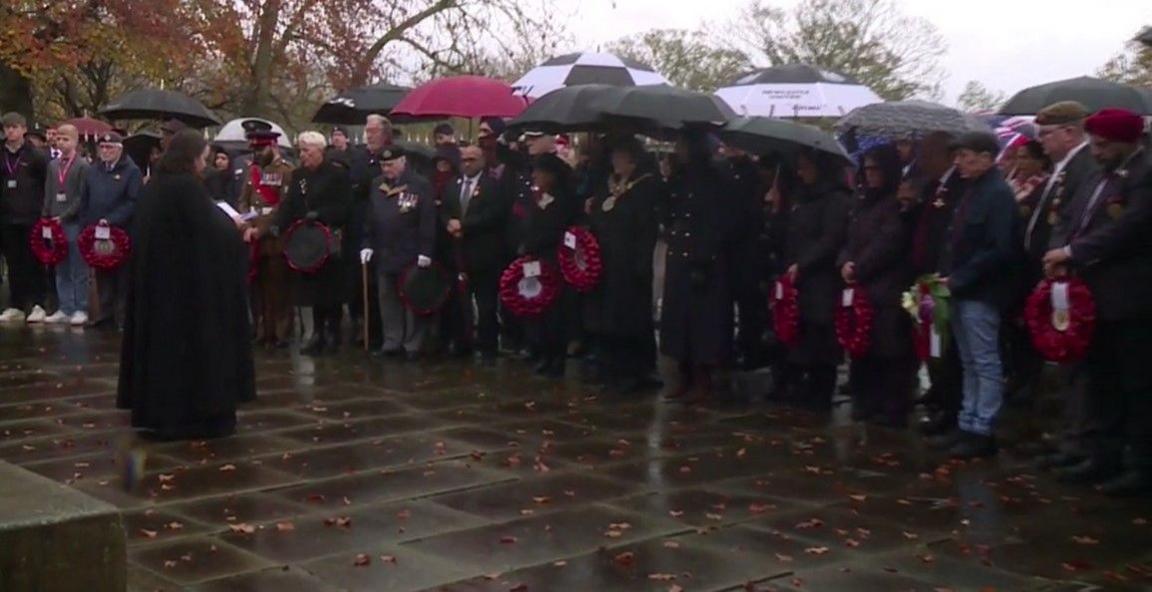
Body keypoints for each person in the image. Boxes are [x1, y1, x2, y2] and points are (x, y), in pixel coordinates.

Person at [1041, 108, 1152, 495]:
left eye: (1104, 145)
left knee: (1135, 386)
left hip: (1131, 299)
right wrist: (1061, 252)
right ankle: (1101, 455)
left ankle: (1140, 465)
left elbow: (1130, 228)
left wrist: (1074, 252)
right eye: (1094, 144)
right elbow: (1072, 219)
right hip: (1094, 297)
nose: (1097, 151)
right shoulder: (1097, 175)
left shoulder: (1144, 175)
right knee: (1101, 381)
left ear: (1128, 141)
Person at [117, 128, 254, 440]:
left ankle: (159, 415)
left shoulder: (156, 186)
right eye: (202, 158)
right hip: (186, 294)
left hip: (161, 290)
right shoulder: (185, 188)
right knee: (189, 356)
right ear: (190, 158)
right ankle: (194, 416)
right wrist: (231, 226)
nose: (204, 165)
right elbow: (211, 232)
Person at [936, 132, 1018, 459]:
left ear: (986, 157)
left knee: (984, 361)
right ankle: (967, 421)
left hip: (981, 291)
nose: (958, 162)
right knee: (968, 361)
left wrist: (960, 278)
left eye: (964, 155)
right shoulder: (972, 191)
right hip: (959, 288)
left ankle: (984, 427)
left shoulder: (997, 194)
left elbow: (999, 248)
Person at [838, 144, 916, 427]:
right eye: (867, 169)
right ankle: (866, 400)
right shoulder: (863, 201)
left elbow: (889, 242)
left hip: (887, 287)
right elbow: (850, 238)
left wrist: (858, 267)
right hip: (862, 285)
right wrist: (845, 262)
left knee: (890, 350)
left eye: (876, 169)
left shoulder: (898, 203)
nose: (870, 174)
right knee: (863, 348)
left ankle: (891, 406)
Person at [662, 133, 738, 403]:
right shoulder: (680, 177)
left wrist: (704, 256)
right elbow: (670, 209)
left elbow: (718, 220)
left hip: (704, 259)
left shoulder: (716, 178)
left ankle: (702, 375)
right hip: (680, 254)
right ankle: (682, 374)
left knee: (701, 322)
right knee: (678, 319)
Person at [778, 149, 851, 410]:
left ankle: (821, 391)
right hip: (801, 278)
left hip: (822, 278)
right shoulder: (804, 197)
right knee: (804, 334)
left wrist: (804, 263)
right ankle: (804, 386)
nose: (801, 173)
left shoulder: (836, 199)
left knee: (822, 336)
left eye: (806, 167)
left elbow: (831, 239)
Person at [589, 137, 661, 393]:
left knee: (631, 317)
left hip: (631, 262)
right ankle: (611, 366)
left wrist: (641, 262)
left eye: (620, 157)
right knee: (609, 316)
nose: (615, 162)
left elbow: (646, 226)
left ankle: (636, 368)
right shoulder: (609, 185)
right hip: (608, 260)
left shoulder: (644, 186)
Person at [905, 131, 966, 436]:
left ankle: (949, 405)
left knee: (945, 345)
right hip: (924, 274)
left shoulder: (959, 187)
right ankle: (938, 392)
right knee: (930, 339)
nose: (923, 161)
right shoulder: (932, 186)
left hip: (942, 276)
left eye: (928, 155)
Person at [276, 131, 351, 355]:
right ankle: (317, 332)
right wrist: (279, 224)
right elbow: (290, 203)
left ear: (320, 151)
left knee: (330, 288)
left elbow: (344, 207)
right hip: (306, 241)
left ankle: (333, 331)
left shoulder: (336, 175)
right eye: (300, 150)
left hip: (328, 237)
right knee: (312, 289)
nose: (302, 155)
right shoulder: (299, 175)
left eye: (306, 150)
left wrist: (321, 214)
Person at [359, 147, 436, 360]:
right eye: (383, 165)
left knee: (411, 300)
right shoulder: (377, 184)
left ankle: (412, 344)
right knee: (387, 299)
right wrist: (367, 243)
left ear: (403, 162)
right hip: (384, 251)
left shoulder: (419, 184)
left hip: (410, 252)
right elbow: (370, 217)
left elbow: (427, 219)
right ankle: (392, 340)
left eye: (390, 164)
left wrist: (426, 250)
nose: (386, 169)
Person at [442, 145, 511, 367]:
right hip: (458, 253)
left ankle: (488, 346)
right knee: (459, 302)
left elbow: (495, 214)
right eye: (464, 159)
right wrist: (449, 223)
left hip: (484, 253)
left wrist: (465, 225)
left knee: (486, 303)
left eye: (472, 159)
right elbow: (444, 209)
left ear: (482, 160)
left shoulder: (493, 186)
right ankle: (462, 343)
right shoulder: (453, 184)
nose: (467, 163)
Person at [518, 153, 580, 378]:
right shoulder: (538, 198)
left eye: (539, 172)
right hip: (535, 260)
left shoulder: (564, 200)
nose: (535, 176)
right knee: (539, 309)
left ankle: (556, 358)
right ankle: (543, 352)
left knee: (555, 313)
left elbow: (557, 230)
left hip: (554, 261)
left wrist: (534, 243)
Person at [77, 131, 142, 329]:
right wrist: (85, 225)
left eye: (109, 147)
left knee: (122, 277)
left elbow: (133, 201)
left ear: (119, 150)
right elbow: (85, 199)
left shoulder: (131, 171)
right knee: (102, 272)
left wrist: (112, 219)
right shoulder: (93, 170)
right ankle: (105, 314)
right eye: (102, 147)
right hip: (97, 230)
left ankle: (122, 317)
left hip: (121, 232)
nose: (105, 151)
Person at [239, 130, 295, 349]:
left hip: (274, 239)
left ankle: (281, 332)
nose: (257, 153)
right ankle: (263, 329)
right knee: (258, 290)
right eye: (255, 149)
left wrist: (260, 230)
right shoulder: (252, 171)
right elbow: (243, 201)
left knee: (277, 288)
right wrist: (246, 226)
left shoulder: (286, 171)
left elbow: (284, 206)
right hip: (253, 238)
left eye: (261, 149)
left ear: (273, 147)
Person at [0, 112, 50, 323]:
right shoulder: (1, 154)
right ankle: (17, 304)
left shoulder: (35, 155)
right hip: (7, 217)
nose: (10, 131)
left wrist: (44, 211)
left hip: (31, 216)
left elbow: (45, 183)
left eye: (14, 127)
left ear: (23, 129)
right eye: (7, 128)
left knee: (34, 261)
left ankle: (38, 303)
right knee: (14, 262)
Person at [723, 144, 769, 370]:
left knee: (748, 303)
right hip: (731, 247)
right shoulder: (726, 171)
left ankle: (750, 348)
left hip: (747, 248)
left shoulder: (753, 175)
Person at [40, 124, 91, 326]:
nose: (61, 142)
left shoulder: (83, 166)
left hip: (74, 222)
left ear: (75, 141)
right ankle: (65, 306)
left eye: (66, 139)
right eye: (59, 139)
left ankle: (81, 307)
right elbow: (49, 191)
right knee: (60, 266)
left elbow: (81, 196)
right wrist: (46, 215)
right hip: (54, 222)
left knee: (78, 267)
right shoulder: (53, 165)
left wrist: (66, 215)